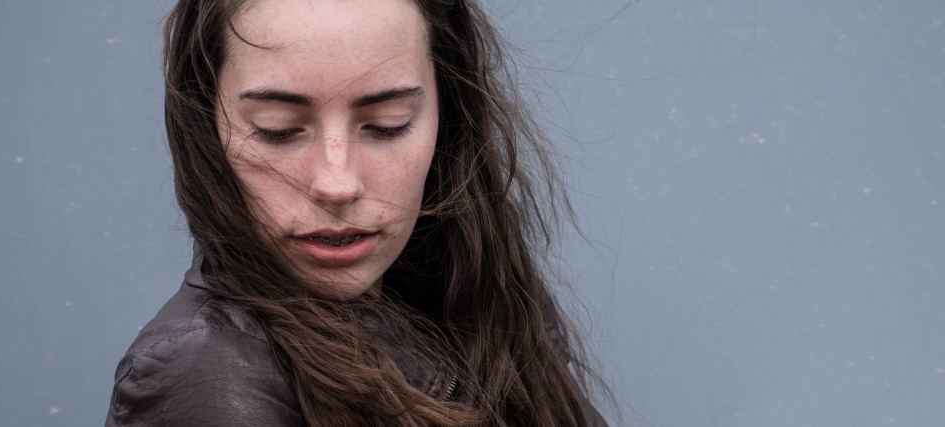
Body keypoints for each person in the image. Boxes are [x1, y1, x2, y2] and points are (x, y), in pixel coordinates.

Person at [104, 0, 608, 425]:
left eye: (387, 125)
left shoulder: (475, 289)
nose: (337, 184)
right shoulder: (207, 376)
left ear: (446, 116)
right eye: (278, 129)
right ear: (205, 126)